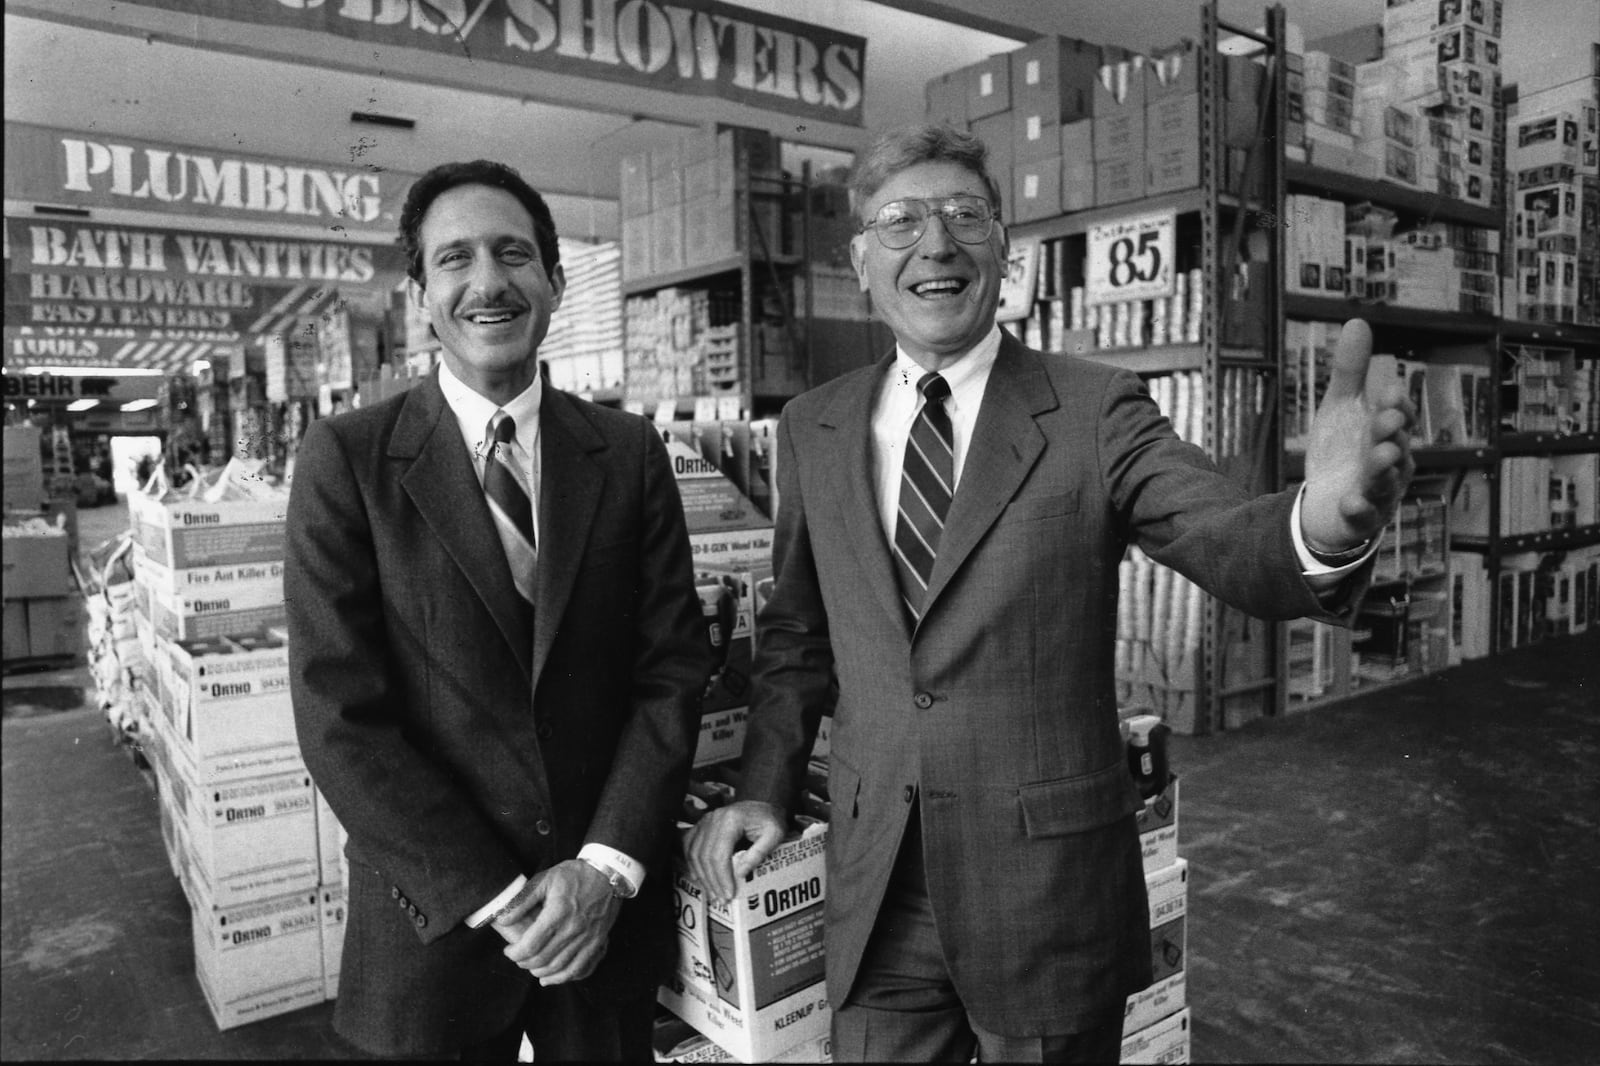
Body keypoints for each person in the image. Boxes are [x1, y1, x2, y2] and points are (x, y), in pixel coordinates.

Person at [686, 123, 1414, 1063]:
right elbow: (795, 636)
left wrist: (1319, 527)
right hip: (878, 885)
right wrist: (764, 789)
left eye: (964, 216)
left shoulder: (1094, 409)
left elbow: (1220, 535)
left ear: (1004, 250)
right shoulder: (814, 426)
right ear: (863, 261)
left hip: (1045, 887)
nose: (936, 245)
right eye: (901, 222)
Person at [286, 159, 711, 1060]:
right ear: (420, 295)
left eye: (514, 254)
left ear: (554, 283)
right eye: (456, 259)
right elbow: (339, 716)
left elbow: (670, 668)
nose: (488, 282)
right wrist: (503, 897)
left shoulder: (629, 453)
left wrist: (602, 870)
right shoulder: (349, 461)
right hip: (436, 933)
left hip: (599, 933)